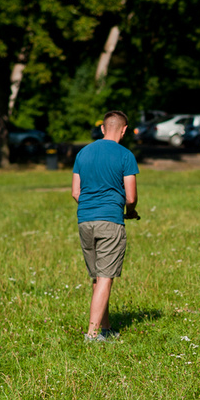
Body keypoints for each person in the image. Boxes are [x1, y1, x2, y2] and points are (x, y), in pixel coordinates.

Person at [71, 110, 139, 342]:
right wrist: (130, 212)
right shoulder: (125, 155)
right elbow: (130, 197)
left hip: (85, 220)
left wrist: (92, 205)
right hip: (110, 220)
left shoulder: (83, 152)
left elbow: (75, 192)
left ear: (102, 128)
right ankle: (92, 334)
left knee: (99, 277)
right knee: (106, 277)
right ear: (124, 130)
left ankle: (106, 328)